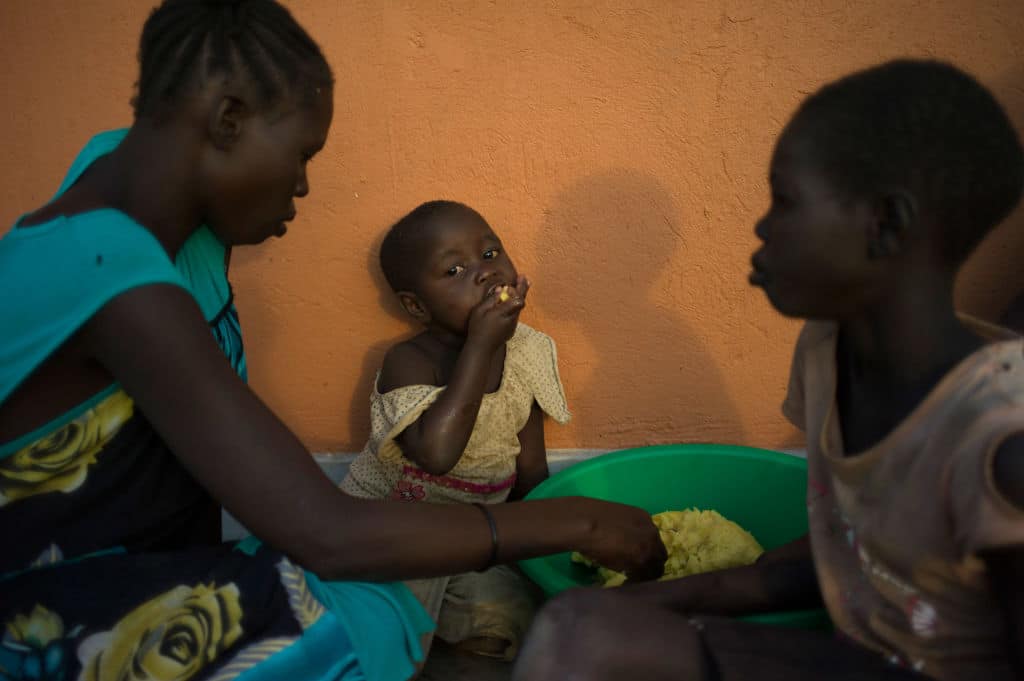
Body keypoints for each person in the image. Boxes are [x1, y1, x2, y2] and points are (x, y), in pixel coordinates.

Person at [0, 2, 666, 680]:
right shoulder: (110, 273)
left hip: (135, 564)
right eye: (301, 154)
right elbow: (328, 533)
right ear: (227, 121)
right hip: (35, 616)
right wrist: (578, 524)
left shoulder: (128, 183)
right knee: (360, 615)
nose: (302, 185)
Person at [513, 59, 1024, 681]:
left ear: (886, 224)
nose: (760, 227)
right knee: (576, 625)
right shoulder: (827, 349)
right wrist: (649, 599)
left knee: (581, 641)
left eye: (784, 202)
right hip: (857, 654)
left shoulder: (1000, 439)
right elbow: (855, 553)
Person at [340, 200, 569, 661]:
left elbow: (530, 471)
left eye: (490, 253)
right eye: (455, 270)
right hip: (395, 533)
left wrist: (546, 555)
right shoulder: (410, 361)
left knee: (514, 619)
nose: (485, 273)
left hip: (472, 540)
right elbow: (436, 455)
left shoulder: (528, 351)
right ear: (416, 306)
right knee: (388, 631)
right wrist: (481, 346)